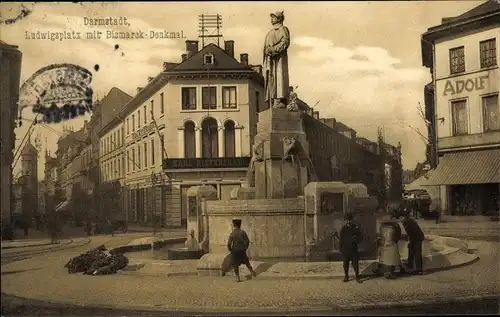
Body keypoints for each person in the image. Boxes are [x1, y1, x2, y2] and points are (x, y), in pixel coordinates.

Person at [263, 11, 291, 109]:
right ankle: (274, 99)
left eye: (273, 17)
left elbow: (285, 42)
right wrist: (267, 51)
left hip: (279, 59)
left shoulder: (283, 29)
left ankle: (280, 99)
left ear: (279, 19)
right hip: (270, 59)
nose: (271, 19)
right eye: (271, 17)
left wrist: (274, 49)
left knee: (279, 78)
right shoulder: (270, 32)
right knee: (272, 79)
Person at [335, 212, 363, 283]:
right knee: (345, 264)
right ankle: (346, 276)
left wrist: (356, 240)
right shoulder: (343, 229)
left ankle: (357, 277)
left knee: (355, 264)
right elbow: (341, 239)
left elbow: (360, 237)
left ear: (352, 220)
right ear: (345, 220)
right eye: (347, 220)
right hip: (345, 249)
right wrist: (341, 249)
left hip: (353, 249)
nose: (349, 221)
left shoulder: (356, 228)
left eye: (350, 220)